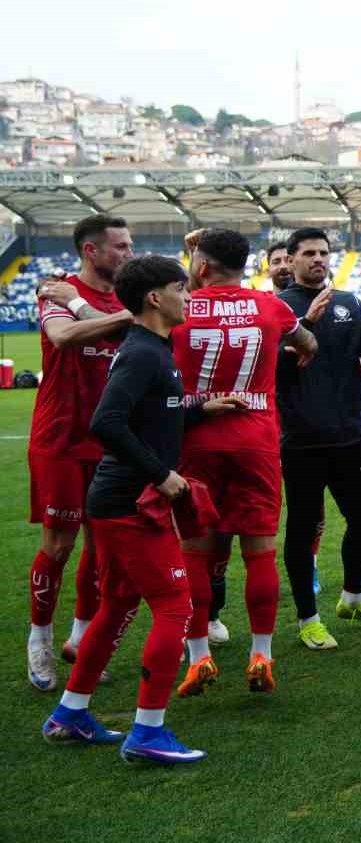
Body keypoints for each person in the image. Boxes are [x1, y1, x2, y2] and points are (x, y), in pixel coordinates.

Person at [41, 254, 245, 764]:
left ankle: (70, 713)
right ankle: (147, 733)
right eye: (181, 287)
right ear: (156, 298)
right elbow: (108, 422)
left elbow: (153, 414)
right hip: (132, 501)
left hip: (119, 499)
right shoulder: (142, 353)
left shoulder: (154, 348)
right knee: (175, 607)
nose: (189, 295)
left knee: (114, 607)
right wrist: (162, 473)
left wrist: (201, 407)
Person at [171, 229, 318, 698]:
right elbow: (308, 342)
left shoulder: (180, 309)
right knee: (259, 553)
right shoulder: (269, 307)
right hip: (255, 440)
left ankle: (198, 657)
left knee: (196, 553)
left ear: (200, 266)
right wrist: (295, 350)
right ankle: (261, 654)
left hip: (195, 439)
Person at [25, 215, 135, 692]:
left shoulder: (124, 298)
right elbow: (63, 337)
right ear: (91, 251)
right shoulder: (56, 291)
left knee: (103, 548)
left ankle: (81, 640)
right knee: (59, 545)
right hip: (62, 439)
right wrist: (132, 316)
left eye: (130, 247)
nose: (127, 254)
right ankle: (40, 643)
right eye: (120, 247)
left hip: (113, 443)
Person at [275, 227, 361, 650]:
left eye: (323, 253)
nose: (318, 259)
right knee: (303, 529)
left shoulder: (345, 301)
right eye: (308, 253)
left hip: (351, 435)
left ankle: (353, 598)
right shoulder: (276, 309)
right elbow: (276, 373)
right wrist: (305, 324)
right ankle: (309, 619)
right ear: (289, 260)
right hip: (302, 439)